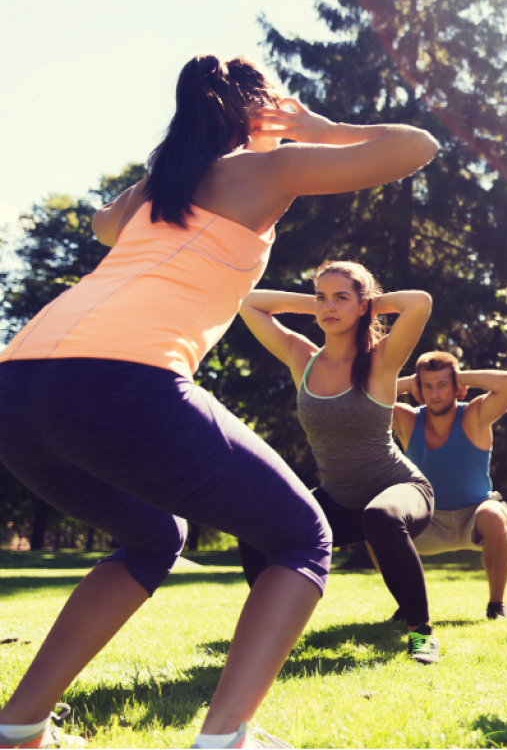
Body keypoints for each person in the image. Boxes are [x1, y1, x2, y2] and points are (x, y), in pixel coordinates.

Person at [0, 54, 438, 750]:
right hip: (122, 375)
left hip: (17, 384)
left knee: (153, 537)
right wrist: (318, 129)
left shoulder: (162, 188)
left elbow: (102, 227)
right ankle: (227, 737)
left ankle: (18, 726)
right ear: (254, 107)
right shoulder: (266, 170)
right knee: (301, 538)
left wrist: (167, 162)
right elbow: (416, 147)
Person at [236, 260, 442, 663]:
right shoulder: (302, 357)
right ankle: (272, 631)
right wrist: (319, 303)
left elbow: (419, 302)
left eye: (340, 299)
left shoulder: (381, 360)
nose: (328, 308)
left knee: (379, 518)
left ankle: (421, 633)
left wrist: (364, 303)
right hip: (339, 499)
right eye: (321, 298)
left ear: (363, 305)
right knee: (254, 524)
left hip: (400, 490)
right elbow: (248, 303)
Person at [392, 353, 507, 620]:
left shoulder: (475, 415)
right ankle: (408, 606)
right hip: (427, 520)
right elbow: (362, 399)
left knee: (494, 514)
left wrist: (459, 377)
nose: (435, 393)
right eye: (427, 386)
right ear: (419, 391)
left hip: (475, 515)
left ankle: (496, 606)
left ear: (457, 389)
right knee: (377, 523)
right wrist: (409, 383)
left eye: (442, 385)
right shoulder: (407, 419)